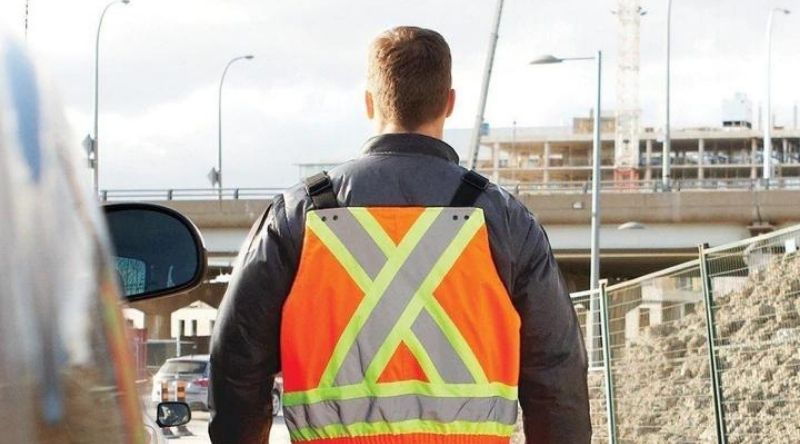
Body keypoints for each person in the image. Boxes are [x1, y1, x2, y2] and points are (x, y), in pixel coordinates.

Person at [209, 26, 591, 443]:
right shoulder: (506, 222)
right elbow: (556, 377)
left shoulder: (298, 217)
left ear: (368, 102)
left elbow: (237, 364)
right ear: (449, 103)